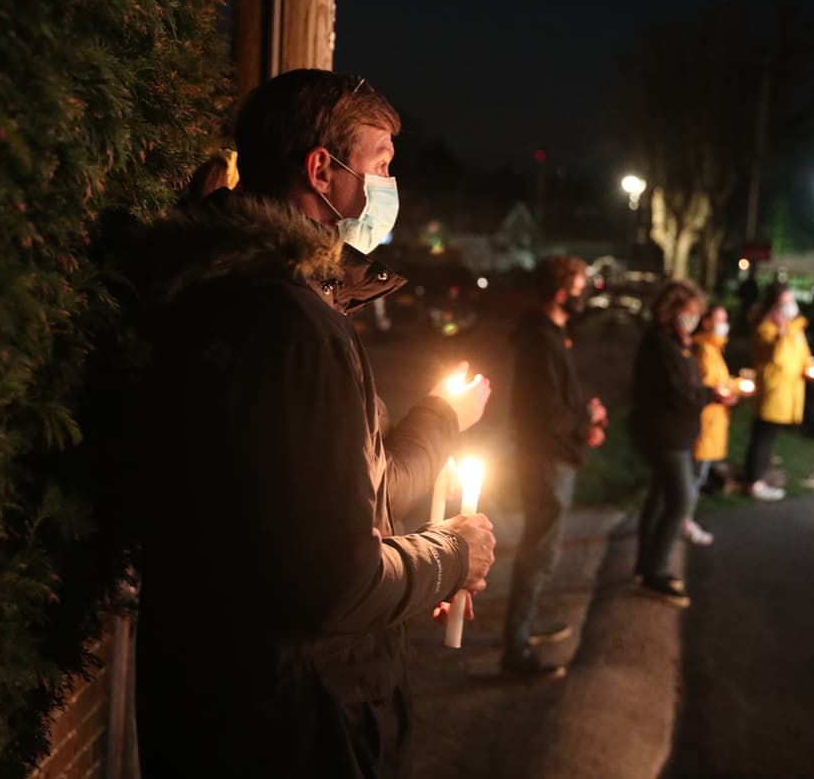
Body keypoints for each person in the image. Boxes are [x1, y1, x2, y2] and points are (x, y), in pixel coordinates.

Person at [134, 70, 496, 777]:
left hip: (222, 699)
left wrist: (436, 421)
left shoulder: (218, 289)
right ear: (321, 170)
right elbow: (336, 581)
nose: (390, 187)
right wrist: (451, 555)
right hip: (297, 722)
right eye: (381, 167)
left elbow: (338, 500)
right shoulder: (292, 323)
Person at [502, 255, 607, 679]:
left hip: (551, 454)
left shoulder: (551, 334)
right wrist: (585, 424)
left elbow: (557, 401)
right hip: (546, 458)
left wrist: (586, 415)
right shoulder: (541, 339)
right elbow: (546, 411)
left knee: (541, 551)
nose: (586, 296)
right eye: (582, 287)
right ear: (564, 292)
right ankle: (516, 652)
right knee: (538, 554)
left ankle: (524, 630)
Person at [630, 281, 730, 607]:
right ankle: (655, 570)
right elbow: (680, 392)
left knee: (660, 499)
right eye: (689, 313)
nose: (694, 319)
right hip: (665, 435)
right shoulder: (661, 345)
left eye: (697, 314)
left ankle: (645, 567)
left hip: (675, 433)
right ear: (671, 312)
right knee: (680, 500)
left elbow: (688, 386)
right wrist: (712, 395)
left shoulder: (675, 342)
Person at [742, 284, 811, 501]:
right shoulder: (766, 330)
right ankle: (753, 481)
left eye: (791, 301)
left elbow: (802, 357)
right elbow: (778, 358)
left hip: (789, 392)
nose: (790, 307)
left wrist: (810, 368)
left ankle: (759, 475)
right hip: (773, 392)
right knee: (762, 437)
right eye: (784, 303)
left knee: (768, 438)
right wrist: (782, 333)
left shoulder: (795, 329)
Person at [687, 304, 740, 546]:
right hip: (704, 422)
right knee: (693, 475)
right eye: (720, 319)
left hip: (713, 420)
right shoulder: (702, 349)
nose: (724, 324)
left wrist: (735, 388)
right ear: (706, 321)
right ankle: (684, 521)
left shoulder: (714, 349)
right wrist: (723, 394)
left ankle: (685, 518)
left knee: (698, 474)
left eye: (726, 319)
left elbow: (721, 381)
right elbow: (705, 386)